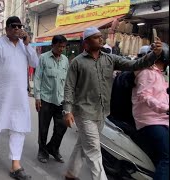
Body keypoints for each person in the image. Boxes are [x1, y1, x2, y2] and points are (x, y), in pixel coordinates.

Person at [62, 27, 164, 180]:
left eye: (100, 36)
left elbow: (135, 65)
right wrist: (67, 110)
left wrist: (153, 55)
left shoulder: (110, 59)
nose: (100, 39)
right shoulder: (77, 63)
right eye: (96, 37)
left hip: (102, 112)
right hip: (83, 112)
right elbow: (69, 87)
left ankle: (71, 174)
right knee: (94, 151)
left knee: (83, 145)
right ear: (86, 42)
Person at [0, 16, 39, 180]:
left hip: (19, 94)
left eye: (19, 26)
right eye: (13, 26)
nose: (17, 29)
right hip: (0, 93)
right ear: (6, 29)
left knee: (18, 126)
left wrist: (27, 43)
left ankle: (15, 165)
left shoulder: (23, 45)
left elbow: (35, 63)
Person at [132, 43, 169, 180]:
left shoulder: (159, 74)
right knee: (167, 157)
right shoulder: (146, 73)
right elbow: (144, 95)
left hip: (162, 119)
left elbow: (163, 95)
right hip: (150, 121)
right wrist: (165, 108)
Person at [33, 35, 69, 164]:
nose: (61, 49)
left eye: (63, 47)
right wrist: (37, 97)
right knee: (43, 128)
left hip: (60, 100)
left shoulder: (65, 60)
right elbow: (37, 78)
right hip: (46, 99)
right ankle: (42, 151)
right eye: (59, 46)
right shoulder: (43, 58)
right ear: (53, 45)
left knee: (62, 127)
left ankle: (53, 148)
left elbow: (67, 81)